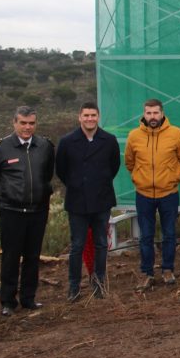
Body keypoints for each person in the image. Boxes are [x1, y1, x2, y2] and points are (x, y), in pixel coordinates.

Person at [0, 106, 55, 316]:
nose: (27, 127)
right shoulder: (1, 148)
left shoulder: (45, 146)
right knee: (11, 257)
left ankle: (28, 299)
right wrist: (6, 197)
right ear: (14, 123)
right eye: (23, 123)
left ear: (36, 124)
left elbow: (47, 174)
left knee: (33, 257)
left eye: (31, 123)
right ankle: (7, 301)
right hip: (11, 212)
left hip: (37, 211)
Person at [124, 98, 180, 290]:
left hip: (169, 193)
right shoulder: (134, 136)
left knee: (169, 233)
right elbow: (130, 162)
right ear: (144, 114)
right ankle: (147, 273)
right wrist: (140, 177)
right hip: (144, 194)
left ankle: (167, 270)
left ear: (162, 113)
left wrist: (174, 175)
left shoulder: (176, 134)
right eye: (149, 113)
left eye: (156, 113)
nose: (152, 117)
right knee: (145, 235)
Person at [55, 101, 120, 301]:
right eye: (86, 116)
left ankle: (99, 284)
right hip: (77, 201)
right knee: (77, 245)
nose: (90, 119)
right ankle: (74, 287)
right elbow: (61, 170)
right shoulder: (67, 141)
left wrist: (99, 184)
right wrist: (76, 184)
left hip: (101, 200)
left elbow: (114, 166)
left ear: (98, 117)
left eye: (93, 115)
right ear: (79, 117)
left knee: (101, 244)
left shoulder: (109, 140)